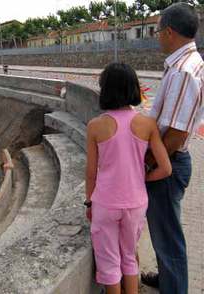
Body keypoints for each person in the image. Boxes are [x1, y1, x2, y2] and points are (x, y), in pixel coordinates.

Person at [85, 63, 172, 294]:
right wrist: (141, 177)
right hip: (135, 203)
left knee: (108, 262)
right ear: (134, 88)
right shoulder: (147, 124)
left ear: (105, 90)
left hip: (105, 203)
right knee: (129, 258)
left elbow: (91, 172)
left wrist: (89, 202)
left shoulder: (95, 126)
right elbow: (165, 169)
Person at [141, 3, 204, 293]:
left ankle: (174, 287)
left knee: (168, 237)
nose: (157, 38)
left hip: (169, 161)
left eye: (157, 31)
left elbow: (176, 134)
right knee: (165, 231)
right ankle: (168, 279)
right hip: (172, 160)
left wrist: (148, 163)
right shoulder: (192, 64)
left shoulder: (182, 71)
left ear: (168, 31)